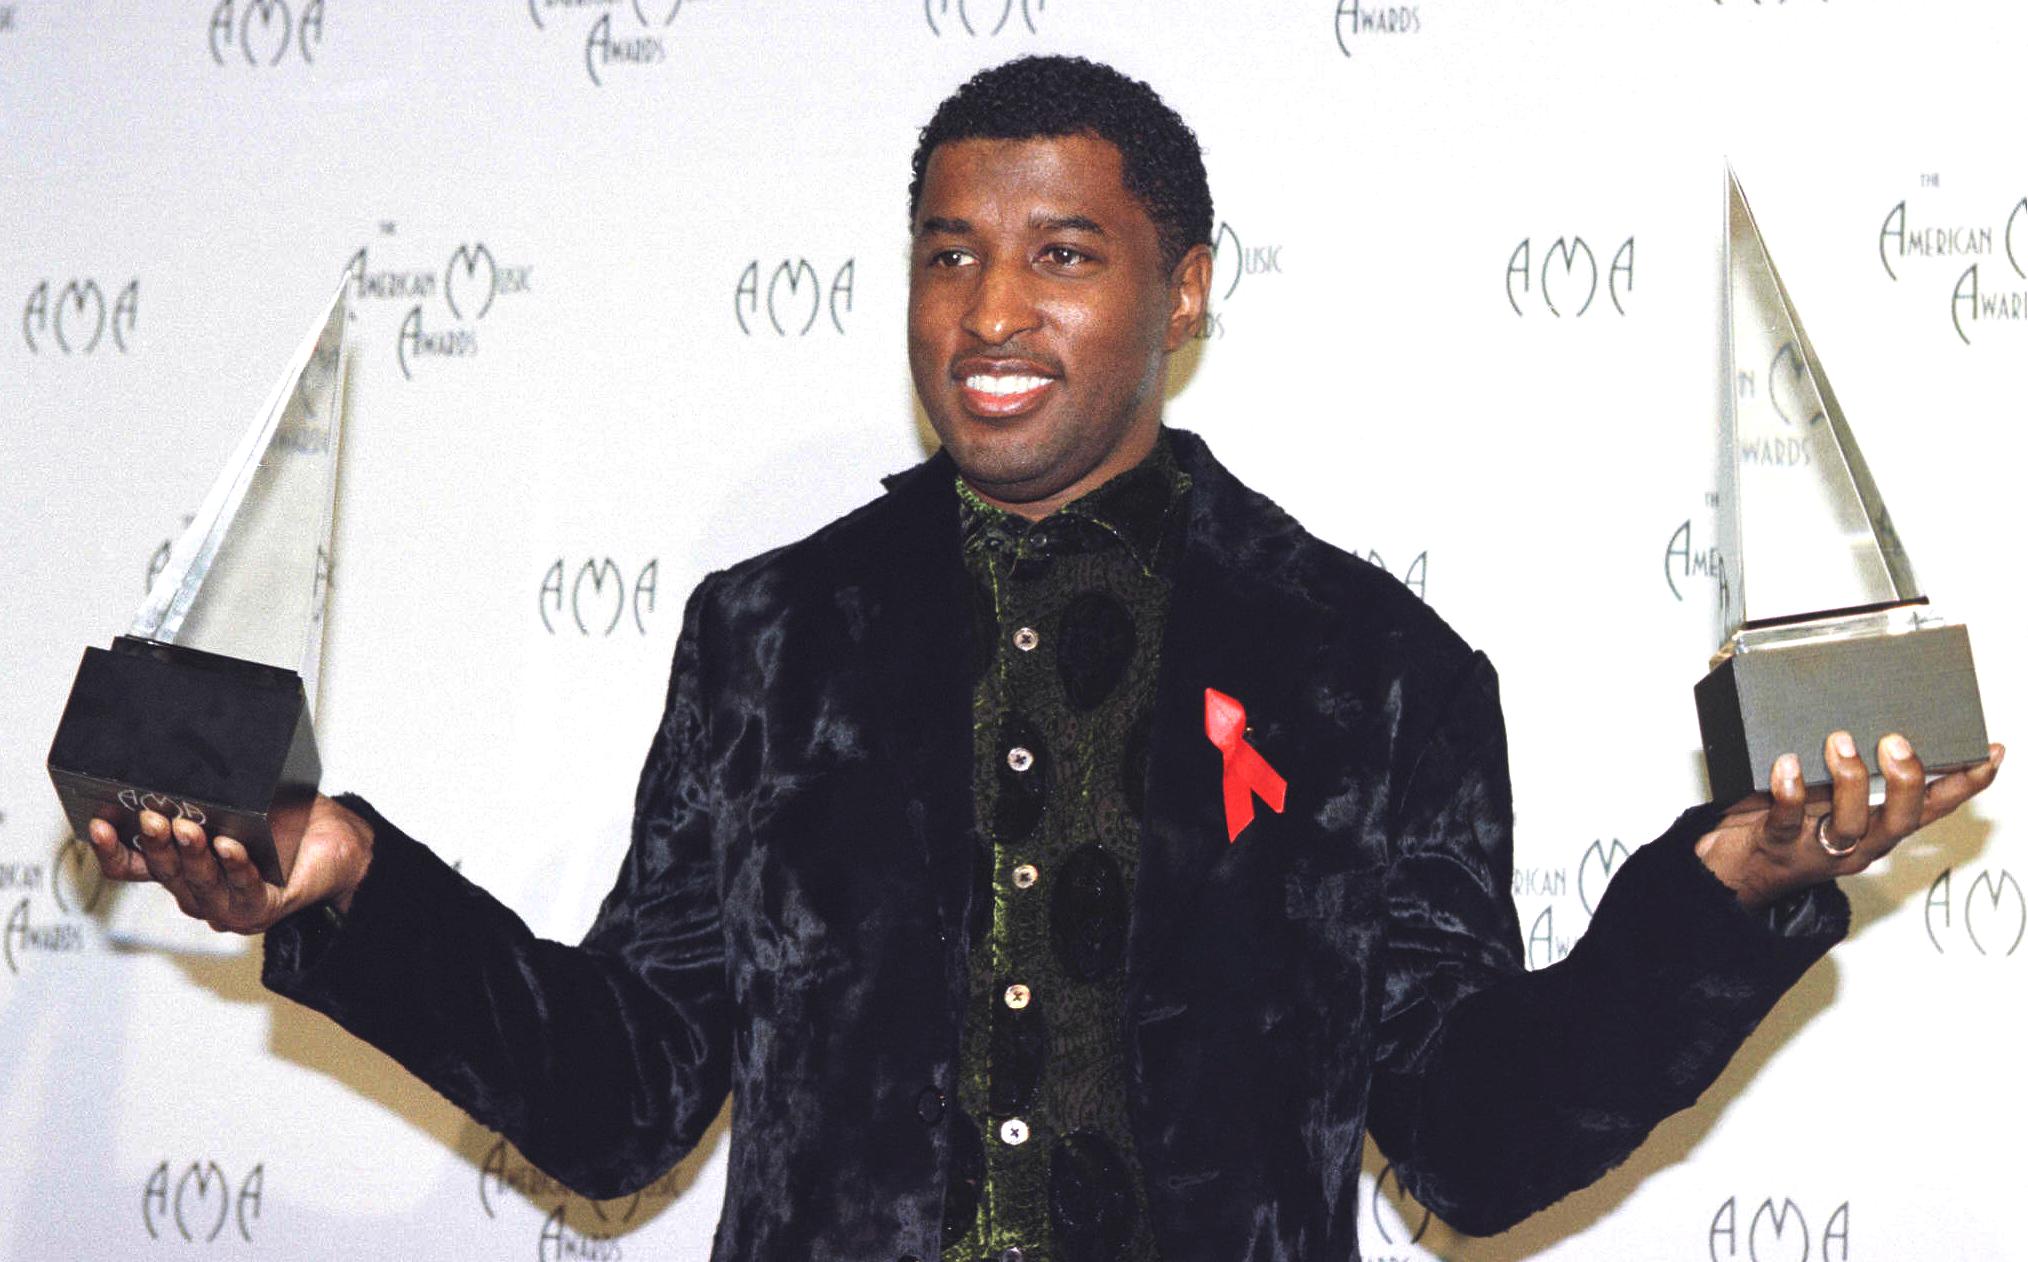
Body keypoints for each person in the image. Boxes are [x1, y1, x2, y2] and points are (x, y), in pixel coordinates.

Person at [85, 55, 2000, 1262]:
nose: (990, 312)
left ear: (1183, 292)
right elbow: (626, 1091)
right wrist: (341, 884)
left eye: (1064, 253)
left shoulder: (1374, 666)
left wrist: (1731, 895)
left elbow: (1474, 1141)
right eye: (946, 251)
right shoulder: (768, 637)